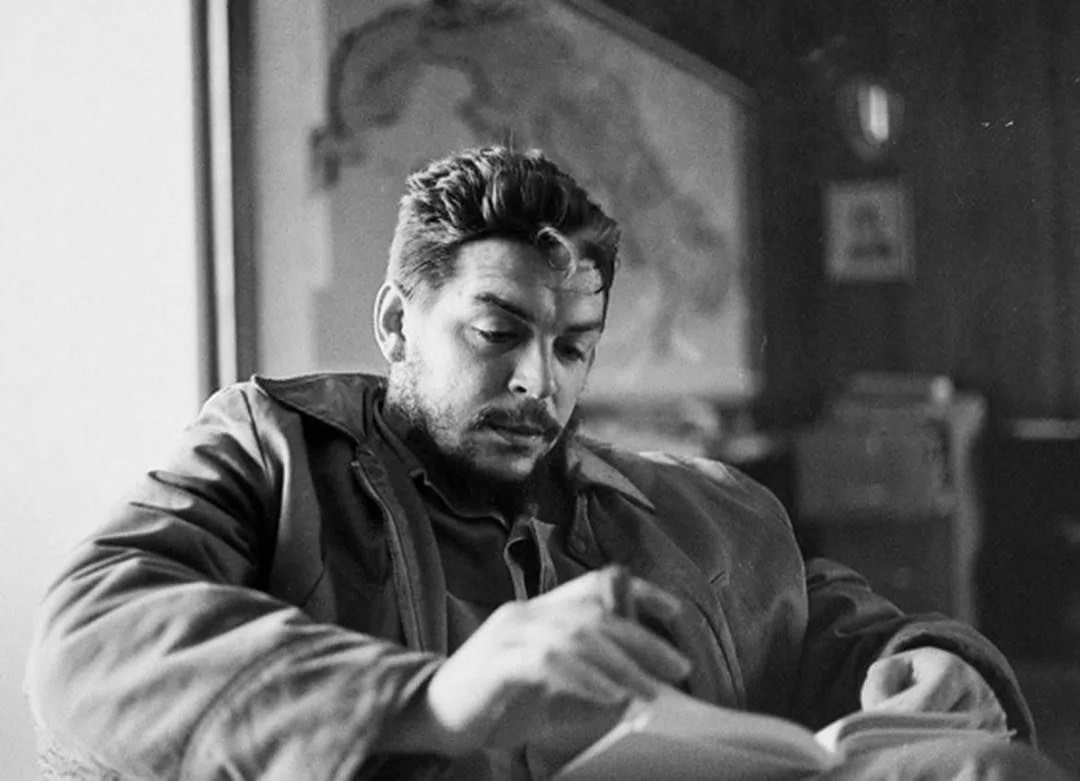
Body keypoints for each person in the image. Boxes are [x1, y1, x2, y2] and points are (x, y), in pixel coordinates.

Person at [26, 146, 1069, 780]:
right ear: (396, 323)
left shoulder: (698, 506)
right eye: (498, 333)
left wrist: (942, 665)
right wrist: (435, 698)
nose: (538, 381)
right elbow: (90, 639)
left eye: (573, 347)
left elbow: (847, 631)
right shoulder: (273, 450)